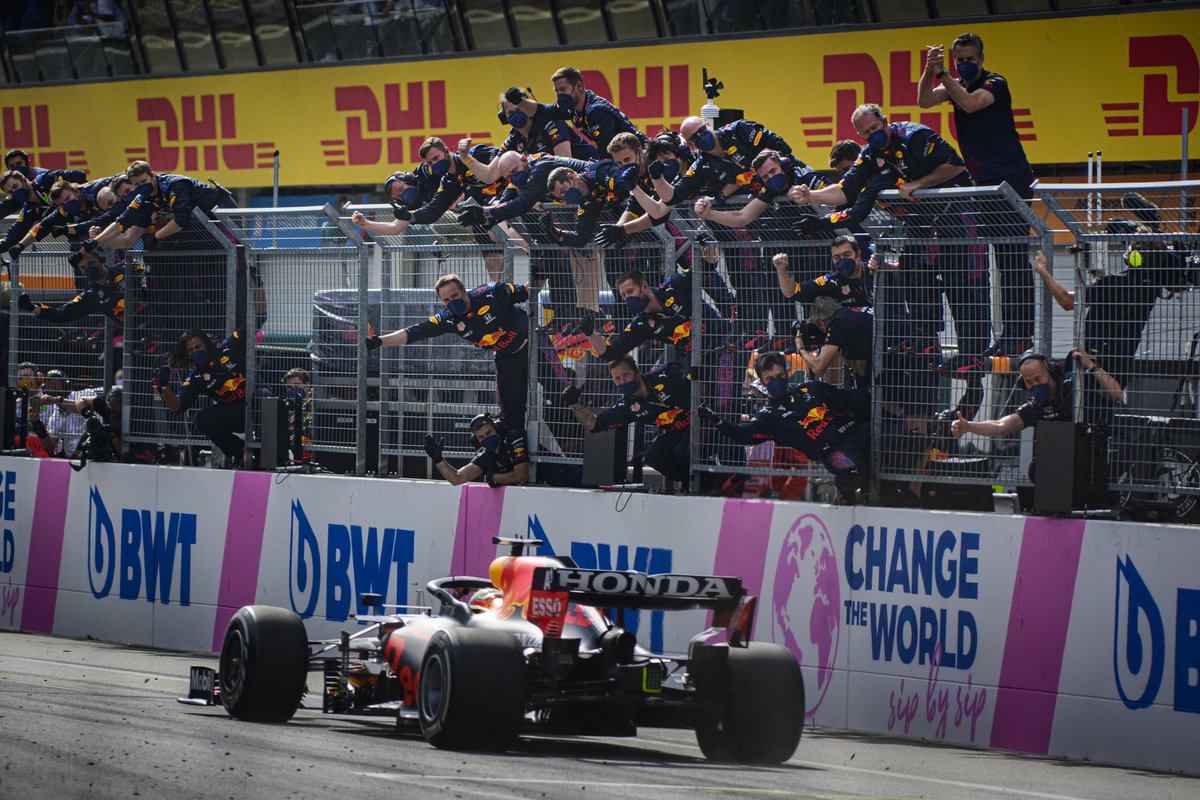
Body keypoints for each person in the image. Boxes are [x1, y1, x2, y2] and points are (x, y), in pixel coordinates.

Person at [794, 103, 990, 373]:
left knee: (962, 283)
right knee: (912, 270)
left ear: (884, 121)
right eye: (866, 132)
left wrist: (917, 185)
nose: (872, 134)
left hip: (959, 212)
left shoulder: (914, 136)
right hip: (924, 223)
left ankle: (974, 354)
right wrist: (811, 196)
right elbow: (844, 191)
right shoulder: (870, 157)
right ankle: (926, 340)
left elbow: (956, 166)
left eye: (875, 128)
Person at [919, 32, 1036, 356]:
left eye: (971, 60)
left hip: (1010, 179)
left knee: (1013, 258)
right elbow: (925, 100)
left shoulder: (995, 84)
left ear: (981, 60)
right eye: (961, 60)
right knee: (999, 259)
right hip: (983, 182)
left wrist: (943, 74)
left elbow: (970, 105)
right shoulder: (956, 86)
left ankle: (1020, 334)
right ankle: (1008, 334)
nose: (966, 65)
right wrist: (930, 69)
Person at [697, 351, 869, 503]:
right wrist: (718, 422)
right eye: (770, 379)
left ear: (787, 374)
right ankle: (852, 499)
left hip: (860, 431)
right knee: (851, 471)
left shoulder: (811, 388)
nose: (776, 382)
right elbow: (744, 435)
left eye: (780, 375)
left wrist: (873, 388)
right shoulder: (768, 416)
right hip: (834, 452)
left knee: (890, 443)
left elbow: (849, 399)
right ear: (762, 383)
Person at [365, 275, 532, 431]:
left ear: (464, 290)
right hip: (505, 358)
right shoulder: (448, 318)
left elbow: (526, 290)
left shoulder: (489, 293)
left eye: (455, 295)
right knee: (510, 417)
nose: (452, 302)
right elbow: (414, 332)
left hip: (533, 346)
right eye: (446, 300)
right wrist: (380, 341)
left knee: (556, 391)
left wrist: (545, 268)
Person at [562, 356, 691, 486]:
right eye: (617, 378)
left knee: (682, 450)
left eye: (626, 375)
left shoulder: (664, 375)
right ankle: (692, 482)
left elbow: (700, 388)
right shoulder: (628, 405)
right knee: (653, 456)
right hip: (676, 432)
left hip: (700, 423)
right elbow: (594, 424)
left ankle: (705, 479)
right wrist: (574, 405)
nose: (623, 381)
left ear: (637, 371)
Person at [949, 351, 1122, 438]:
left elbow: (1117, 394)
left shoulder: (1076, 382)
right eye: (1029, 382)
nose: (1035, 385)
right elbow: (1002, 426)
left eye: (1038, 378)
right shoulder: (1036, 406)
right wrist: (969, 426)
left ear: (1052, 373)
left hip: (1105, 440)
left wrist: (1090, 366)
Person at [155, 328, 248, 467]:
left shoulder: (229, 347)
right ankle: (240, 451)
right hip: (236, 414)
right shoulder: (196, 377)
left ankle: (264, 449)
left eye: (198, 347)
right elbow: (178, 406)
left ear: (207, 344)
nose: (196, 352)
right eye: (191, 350)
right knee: (201, 418)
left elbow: (258, 318)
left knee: (263, 394)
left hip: (257, 405)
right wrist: (163, 386)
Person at [546, 67, 646, 152]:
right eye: (557, 91)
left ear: (579, 86)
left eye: (563, 90)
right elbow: (545, 110)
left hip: (639, 153)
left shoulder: (596, 111)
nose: (559, 95)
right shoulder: (574, 110)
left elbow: (607, 149)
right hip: (621, 157)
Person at [422, 412, 529, 486]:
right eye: (481, 437)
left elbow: (521, 476)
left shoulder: (513, 438)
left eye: (489, 433)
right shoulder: (484, 456)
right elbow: (457, 479)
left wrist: (493, 478)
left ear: (496, 429)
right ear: (477, 440)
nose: (487, 438)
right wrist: (439, 460)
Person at [498, 86, 600, 161]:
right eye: (510, 112)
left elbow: (564, 162)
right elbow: (491, 173)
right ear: (504, 118)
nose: (516, 114)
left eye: (519, 109)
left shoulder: (551, 121)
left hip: (592, 171)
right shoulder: (514, 137)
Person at [774, 234, 873, 310]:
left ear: (858, 255)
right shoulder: (831, 280)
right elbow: (792, 292)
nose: (842, 260)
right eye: (837, 257)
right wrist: (781, 270)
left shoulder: (874, 270)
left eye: (847, 255)